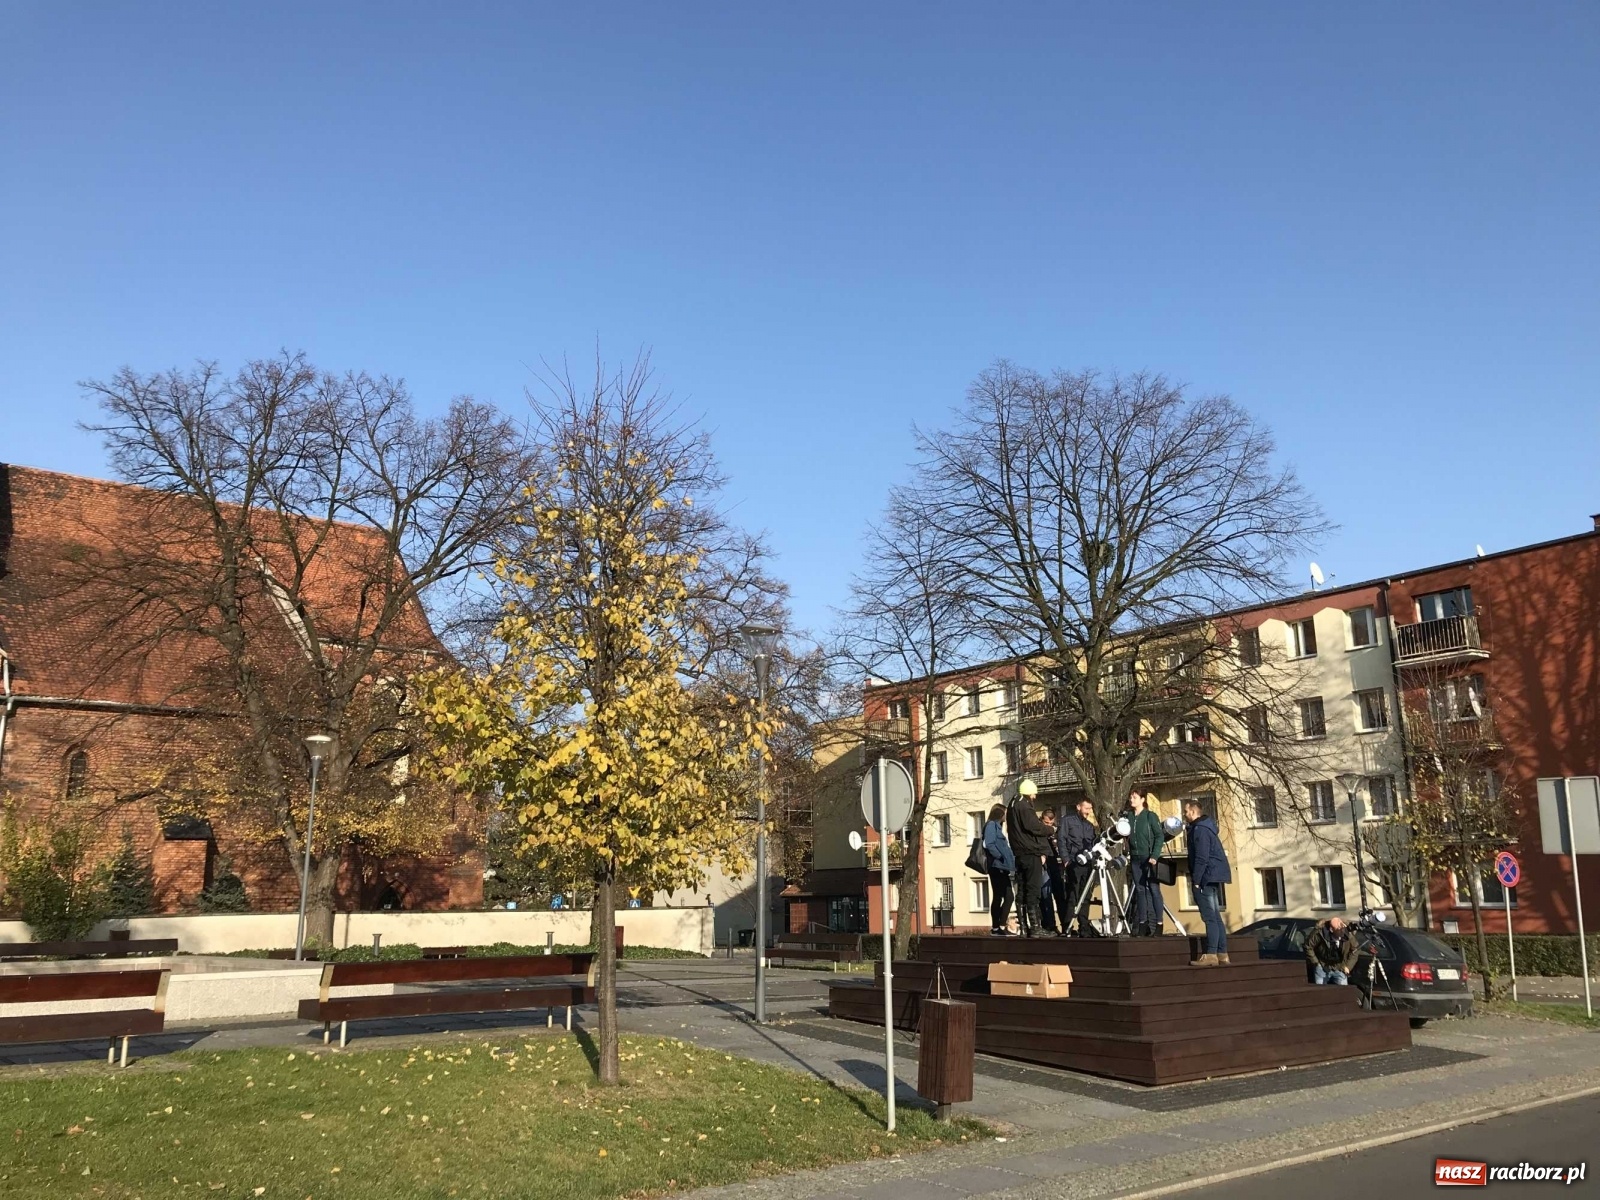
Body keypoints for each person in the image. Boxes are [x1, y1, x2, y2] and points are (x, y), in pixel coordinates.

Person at [1184, 797, 1232, 965]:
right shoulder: (1207, 827)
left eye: (1186, 811)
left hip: (1206, 876)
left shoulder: (1200, 830)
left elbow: (1202, 857)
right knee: (1216, 916)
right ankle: (1222, 954)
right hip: (1213, 875)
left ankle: (1210, 954)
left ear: (1193, 811)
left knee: (1209, 917)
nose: (1184, 814)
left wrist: (1196, 880)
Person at [1006, 785, 1053, 938]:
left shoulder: (1012, 804)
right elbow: (1033, 827)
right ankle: (1035, 928)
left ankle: (1024, 927)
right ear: (1029, 793)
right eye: (1034, 794)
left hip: (1019, 854)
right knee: (1033, 889)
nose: (1034, 797)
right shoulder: (1024, 805)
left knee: (1022, 890)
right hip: (1030, 853)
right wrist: (1051, 830)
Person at [1058, 797, 1100, 936]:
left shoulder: (1089, 825)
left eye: (1090, 809)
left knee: (1085, 896)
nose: (1088, 811)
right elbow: (1061, 840)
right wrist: (1066, 860)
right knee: (1072, 896)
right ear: (1078, 807)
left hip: (1087, 865)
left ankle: (1084, 927)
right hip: (1073, 863)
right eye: (1086, 808)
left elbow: (1093, 845)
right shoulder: (1067, 821)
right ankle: (1067, 926)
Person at [1126, 790, 1166, 937]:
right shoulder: (1129, 816)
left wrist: (1154, 855)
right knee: (1140, 890)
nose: (1132, 800)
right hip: (1135, 858)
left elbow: (1159, 836)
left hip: (1149, 858)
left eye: (1135, 797)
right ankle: (1143, 923)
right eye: (1130, 797)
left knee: (1154, 890)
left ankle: (1159, 924)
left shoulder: (1150, 816)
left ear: (1142, 799)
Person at [982, 804, 1017, 936]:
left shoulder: (996, 826)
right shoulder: (991, 825)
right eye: (1005, 813)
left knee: (1005, 896)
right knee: (1004, 896)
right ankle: (998, 927)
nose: (1006, 816)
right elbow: (989, 844)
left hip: (1002, 866)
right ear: (1000, 813)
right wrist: (1000, 856)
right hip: (997, 867)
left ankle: (999, 927)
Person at [1305, 916, 1360, 985]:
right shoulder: (1319, 934)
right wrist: (1316, 963)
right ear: (1331, 930)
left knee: (1344, 992)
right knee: (1320, 992)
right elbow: (1308, 946)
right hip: (1322, 966)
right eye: (1339, 930)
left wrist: (1348, 966)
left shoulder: (1347, 934)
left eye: (1343, 928)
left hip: (1340, 967)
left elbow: (1355, 949)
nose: (1342, 931)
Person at [1039, 809, 1067, 934]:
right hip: (1045, 865)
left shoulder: (1058, 830)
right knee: (1046, 895)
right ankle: (1050, 925)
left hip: (1057, 865)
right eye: (1046, 823)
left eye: (1050, 823)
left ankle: (1066, 925)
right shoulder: (1038, 829)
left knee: (1060, 895)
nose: (1048, 826)